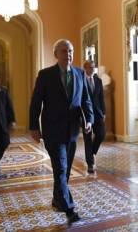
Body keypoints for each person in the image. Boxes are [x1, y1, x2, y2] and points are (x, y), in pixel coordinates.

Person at [29, 39, 93, 224]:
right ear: (56, 54)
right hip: (52, 130)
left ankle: (58, 199)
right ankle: (69, 209)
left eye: (71, 51)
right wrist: (34, 126)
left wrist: (89, 119)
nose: (68, 55)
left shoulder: (80, 73)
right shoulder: (45, 75)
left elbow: (86, 100)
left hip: (72, 130)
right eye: (64, 51)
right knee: (61, 168)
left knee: (64, 172)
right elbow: (36, 102)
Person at [83, 60, 106, 174]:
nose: (92, 69)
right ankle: (90, 164)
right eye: (90, 67)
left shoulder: (98, 80)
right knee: (87, 139)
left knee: (101, 134)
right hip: (85, 114)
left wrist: (104, 112)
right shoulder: (81, 80)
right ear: (85, 68)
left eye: (93, 67)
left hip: (98, 113)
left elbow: (101, 98)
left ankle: (91, 152)